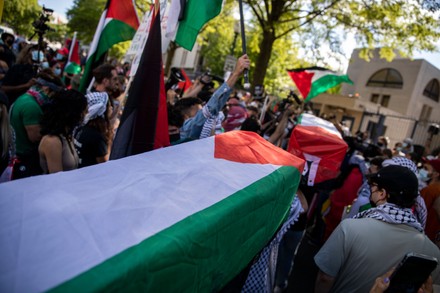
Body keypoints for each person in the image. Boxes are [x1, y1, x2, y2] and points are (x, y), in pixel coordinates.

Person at [314, 165, 440, 292]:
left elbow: (325, 277)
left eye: (373, 186)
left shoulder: (349, 228)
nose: (370, 190)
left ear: (382, 193)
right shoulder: (434, 252)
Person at [179, 54, 250, 141]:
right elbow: (211, 108)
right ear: (186, 117)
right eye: (199, 113)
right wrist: (235, 74)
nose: (204, 114)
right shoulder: (187, 128)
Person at [9, 69, 63, 179]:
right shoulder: (31, 106)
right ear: (47, 89)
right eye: (55, 93)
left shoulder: (28, 98)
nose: (54, 98)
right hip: (25, 158)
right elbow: (36, 137)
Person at [38, 90, 87, 174]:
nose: (86, 114)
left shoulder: (67, 135)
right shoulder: (52, 141)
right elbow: (57, 180)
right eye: (84, 111)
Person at [73, 92, 112, 168]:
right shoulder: (97, 137)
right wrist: (110, 141)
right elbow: (105, 166)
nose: (111, 108)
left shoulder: (82, 127)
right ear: (103, 110)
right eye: (109, 105)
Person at [420, 158, 440, 243]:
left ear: (436, 174)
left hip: (426, 234)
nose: (423, 171)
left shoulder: (430, 190)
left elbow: (420, 212)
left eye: (426, 169)